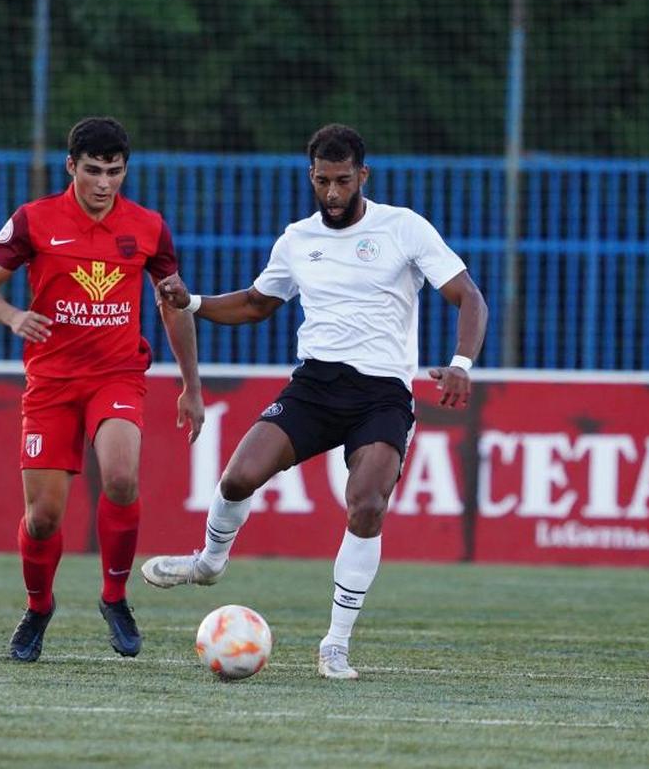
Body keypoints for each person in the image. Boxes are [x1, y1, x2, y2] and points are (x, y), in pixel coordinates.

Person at [141, 124, 487, 680]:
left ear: (362, 177)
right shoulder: (298, 239)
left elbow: (468, 296)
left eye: (342, 181)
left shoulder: (403, 228)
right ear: (311, 177)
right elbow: (258, 304)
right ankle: (209, 563)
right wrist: (196, 301)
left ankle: (336, 644)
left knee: (367, 503)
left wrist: (462, 364)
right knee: (236, 479)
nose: (331, 192)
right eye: (322, 181)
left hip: (382, 394)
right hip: (315, 387)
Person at [0, 116, 204, 663]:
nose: (103, 183)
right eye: (93, 171)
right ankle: (38, 606)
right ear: (71, 167)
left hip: (116, 375)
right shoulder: (34, 221)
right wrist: (12, 316)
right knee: (44, 518)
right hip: (50, 384)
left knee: (121, 477)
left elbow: (174, 306)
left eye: (114, 172)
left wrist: (192, 386)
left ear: (125, 171)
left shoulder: (148, 227)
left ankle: (115, 598)